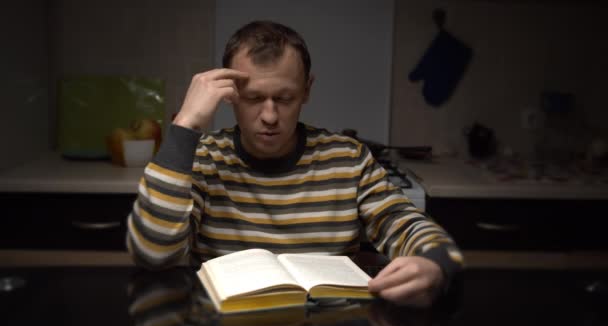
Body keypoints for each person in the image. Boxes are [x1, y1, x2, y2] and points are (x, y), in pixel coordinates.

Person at [127, 20, 463, 307]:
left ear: (306, 90)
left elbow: (405, 223)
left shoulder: (348, 159)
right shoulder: (202, 159)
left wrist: (436, 264)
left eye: (285, 99)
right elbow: (152, 257)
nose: (270, 116)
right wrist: (185, 126)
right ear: (229, 95)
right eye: (254, 98)